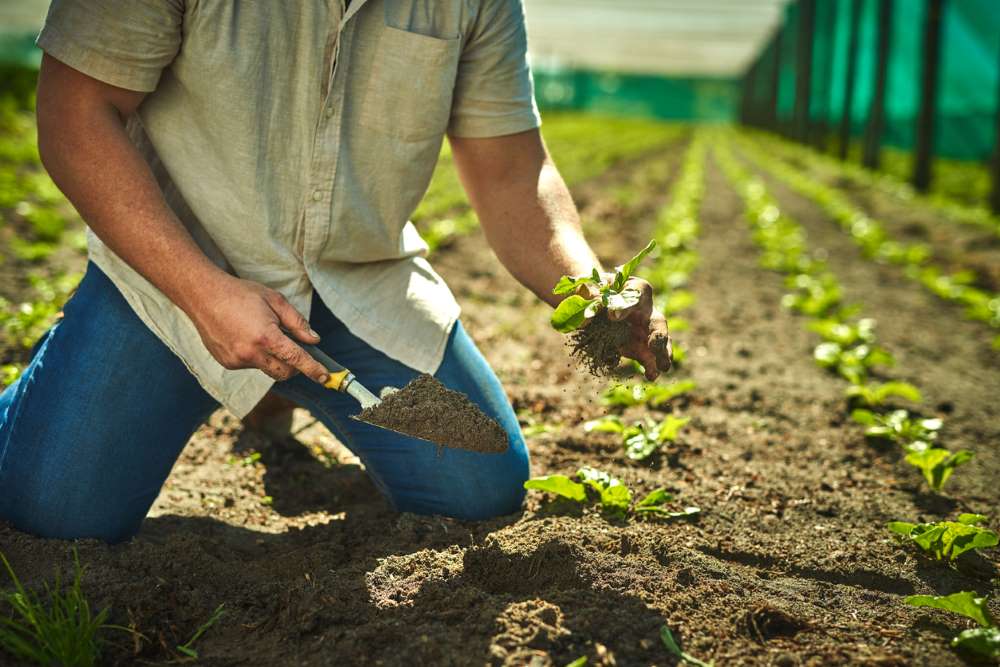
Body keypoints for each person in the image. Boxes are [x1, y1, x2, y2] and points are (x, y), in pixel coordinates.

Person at [0, 0, 671, 543]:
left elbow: (512, 171)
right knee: (55, 513)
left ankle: (275, 392)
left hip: (355, 288)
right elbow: (75, 114)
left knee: (478, 487)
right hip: (172, 278)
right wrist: (203, 293)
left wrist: (590, 289)